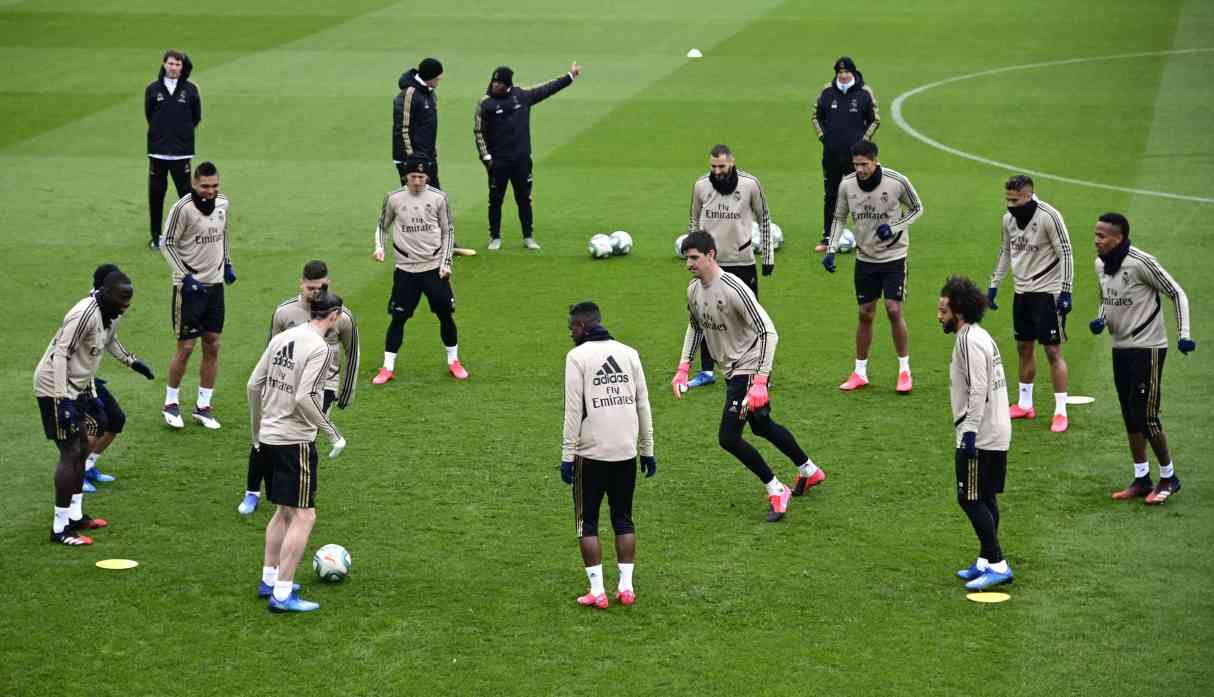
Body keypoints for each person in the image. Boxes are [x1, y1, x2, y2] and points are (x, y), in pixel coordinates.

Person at [671, 232, 825, 522]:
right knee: (762, 425)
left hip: (750, 366)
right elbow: (695, 327)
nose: (688, 264)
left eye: (694, 258)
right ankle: (809, 470)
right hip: (731, 369)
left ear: (711, 255)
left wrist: (759, 382)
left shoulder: (734, 288)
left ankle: (776, 489)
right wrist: (683, 367)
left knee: (728, 437)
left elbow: (769, 332)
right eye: (686, 258)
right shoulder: (693, 290)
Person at [247, 291, 348, 613]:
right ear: (333, 316)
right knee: (304, 515)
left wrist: (256, 431)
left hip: (269, 437)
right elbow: (305, 397)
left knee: (284, 511)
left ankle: (269, 579)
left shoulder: (285, 337)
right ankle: (282, 594)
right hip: (294, 441)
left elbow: (253, 385)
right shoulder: (320, 348)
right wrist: (333, 434)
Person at [239, 260, 359, 516]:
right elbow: (270, 350)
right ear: (301, 284)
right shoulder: (285, 312)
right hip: (283, 384)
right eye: (312, 287)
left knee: (305, 437)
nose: (317, 292)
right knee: (265, 435)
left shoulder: (341, 316)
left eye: (322, 286)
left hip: (323, 385)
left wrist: (345, 393)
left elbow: (353, 353)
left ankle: (299, 492)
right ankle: (252, 492)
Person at [1089, 213, 1194, 504]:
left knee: (1147, 416)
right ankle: (1141, 478)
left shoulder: (1140, 262)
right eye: (1096, 234)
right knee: (1129, 414)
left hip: (1147, 348)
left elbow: (1176, 292)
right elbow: (1106, 295)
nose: (1096, 240)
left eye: (1102, 236)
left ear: (1118, 238)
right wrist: (1100, 318)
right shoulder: (1101, 264)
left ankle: (1170, 477)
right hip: (1120, 347)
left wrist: (1184, 334)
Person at [560, 301, 655, 609]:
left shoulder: (577, 357)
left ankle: (598, 591)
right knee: (623, 519)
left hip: (591, 454)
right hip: (626, 452)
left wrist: (567, 454)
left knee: (586, 523)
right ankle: (626, 589)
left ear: (583, 327)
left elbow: (574, 410)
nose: (570, 333)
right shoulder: (629, 353)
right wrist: (647, 450)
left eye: (572, 327)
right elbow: (643, 404)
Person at [34, 271, 137, 545]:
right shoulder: (85, 314)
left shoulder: (109, 314)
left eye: (129, 299)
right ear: (104, 292)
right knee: (71, 451)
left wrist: (91, 396)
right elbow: (61, 354)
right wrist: (62, 399)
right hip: (54, 386)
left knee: (82, 445)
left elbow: (89, 360)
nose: (126, 305)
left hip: (75, 387)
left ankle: (75, 516)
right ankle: (59, 529)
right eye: (122, 298)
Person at [822, 140, 922, 393]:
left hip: (894, 257)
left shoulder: (896, 182)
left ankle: (904, 370)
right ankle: (860, 372)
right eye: (856, 165)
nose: (860, 170)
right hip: (865, 258)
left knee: (893, 309)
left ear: (875, 160)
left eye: (864, 164)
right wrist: (831, 249)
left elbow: (917, 209)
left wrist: (896, 227)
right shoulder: (847, 185)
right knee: (865, 313)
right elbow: (839, 217)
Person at [938, 276, 1014, 591]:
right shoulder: (981, 335)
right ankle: (985, 559)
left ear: (959, 312)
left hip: (979, 434)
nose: (939, 317)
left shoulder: (967, 340)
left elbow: (978, 388)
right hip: (998, 429)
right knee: (985, 495)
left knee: (969, 498)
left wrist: (968, 433)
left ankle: (998, 563)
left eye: (943, 311)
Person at [987, 175, 1075, 432]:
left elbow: (1066, 253)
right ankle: (1025, 404)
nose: (1009, 205)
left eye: (1014, 200)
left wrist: (1066, 291)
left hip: (1047, 292)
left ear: (1028, 196)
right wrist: (994, 284)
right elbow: (1005, 251)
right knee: (1023, 347)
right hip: (1021, 291)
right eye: (1007, 200)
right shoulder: (1008, 220)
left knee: (1052, 351)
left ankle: (1060, 411)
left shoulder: (1049, 217)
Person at [683, 144, 774, 390]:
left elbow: (764, 217)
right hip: (710, 263)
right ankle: (706, 371)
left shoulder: (749, 184)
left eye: (721, 166)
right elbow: (694, 219)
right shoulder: (701, 185)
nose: (717, 171)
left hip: (742, 261)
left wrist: (768, 257)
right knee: (704, 313)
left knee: (750, 318)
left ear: (732, 162)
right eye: (713, 166)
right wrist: (694, 253)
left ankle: (759, 369)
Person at [371, 158, 466, 383]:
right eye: (413, 177)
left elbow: (447, 231)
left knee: (445, 315)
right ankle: (387, 367)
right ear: (406, 177)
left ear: (427, 178)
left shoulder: (438, 198)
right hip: (406, 270)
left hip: (434, 268)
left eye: (421, 177)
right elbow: (381, 226)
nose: (417, 181)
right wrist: (379, 247)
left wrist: (446, 263)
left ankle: (453, 361)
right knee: (398, 318)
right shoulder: (394, 199)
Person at [473, 62, 582, 250]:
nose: (494, 85)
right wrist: (487, 158)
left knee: (524, 198)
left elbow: (546, 89)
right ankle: (495, 237)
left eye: (498, 83)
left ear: (507, 84)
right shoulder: (485, 103)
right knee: (495, 199)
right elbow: (479, 132)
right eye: (493, 82)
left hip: (521, 160)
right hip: (498, 162)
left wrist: (569, 77)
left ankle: (528, 237)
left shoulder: (521, 96)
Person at [160, 161, 234, 429]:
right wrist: (185, 275)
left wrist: (227, 262)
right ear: (194, 184)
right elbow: (166, 243)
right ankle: (170, 402)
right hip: (189, 288)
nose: (210, 191)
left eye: (215, 185)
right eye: (205, 186)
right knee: (187, 346)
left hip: (215, 287)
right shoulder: (183, 209)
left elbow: (223, 234)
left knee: (213, 343)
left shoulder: (223, 203)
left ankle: (204, 406)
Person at [82, 264, 156, 493]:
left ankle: (87, 465)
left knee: (116, 420)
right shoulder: (87, 314)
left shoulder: (112, 310)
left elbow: (110, 339)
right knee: (97, 423)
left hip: (90, 378)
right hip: (76, 380)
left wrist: (132, 362)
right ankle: (76, 472)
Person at [391, 57, 475, 257]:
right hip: (412, 161)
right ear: (429, 77)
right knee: (416, 203)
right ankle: (421, 246)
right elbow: (403, 129)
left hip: (427, 157)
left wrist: (432, 150)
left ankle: (441, 244)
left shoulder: (430, 94)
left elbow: (427, 128)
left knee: (435, 199)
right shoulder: (410, 94)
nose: (440, 80)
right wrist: (412, 161)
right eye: (438, 77)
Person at [811, 56, 879, 253]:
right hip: (831, 155)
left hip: (857, 159)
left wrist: (862, 143)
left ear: (853, 72)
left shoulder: (864, 93)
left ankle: (867, 238)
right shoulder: (827, 92)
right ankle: (827, 237)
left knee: (862, 195)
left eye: (846, 72)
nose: (843, 75)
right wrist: (824, 137)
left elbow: (875, 120)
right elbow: (816, 116)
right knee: (830, 195)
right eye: (839, 72)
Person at [145, 49, 201, 250]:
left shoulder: (191, 89)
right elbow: (150, 115)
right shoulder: (152, 89)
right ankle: (156, 236)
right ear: (163, 64)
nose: (173, 67)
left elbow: (196, 117)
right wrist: (161, 134)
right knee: (156, 193)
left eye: (177, 64)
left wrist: (181, 135)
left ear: (182, 67)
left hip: (181, 152)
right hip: (158, 151)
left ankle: (190, 235)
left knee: (186, 196)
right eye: (170, 63)